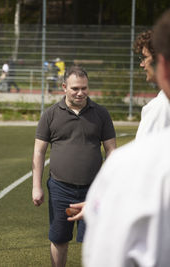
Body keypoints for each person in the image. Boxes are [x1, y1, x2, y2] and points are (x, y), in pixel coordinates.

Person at [82, 9, 170, 267]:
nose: (142, 64)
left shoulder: (130, 162)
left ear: (163, 65)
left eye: (145, 58)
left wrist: (105, 201)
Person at [32, 65, 116, 267]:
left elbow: (112, 151)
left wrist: (109, 186)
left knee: (94, 241)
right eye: (75, 88)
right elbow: (39, 152)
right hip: (61, 188)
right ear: (64, 87)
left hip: (93, 190)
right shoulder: (50, 114)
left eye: (84, 88)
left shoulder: (101, 114)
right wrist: (37, 186)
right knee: (59, 239)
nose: (81, 93)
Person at [133, 30, 170, 139]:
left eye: (144, 57)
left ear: (161, 60)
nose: (142, 64)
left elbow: (142, 152)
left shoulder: (160, 107)